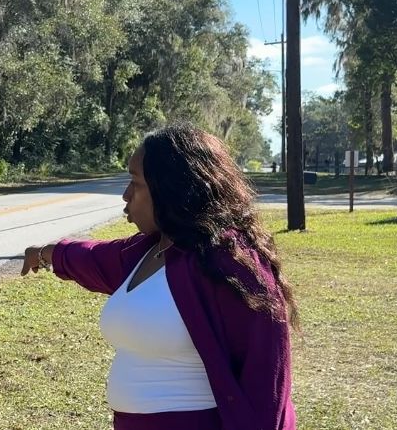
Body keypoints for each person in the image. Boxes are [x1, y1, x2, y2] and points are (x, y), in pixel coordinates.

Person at [22, 125, 297, 430]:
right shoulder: (150, 249)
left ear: (172, 187)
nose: (125, 195)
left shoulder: (227, 261)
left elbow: (268, 376)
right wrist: (45, 253)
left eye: (136, 183)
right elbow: (92, 258)